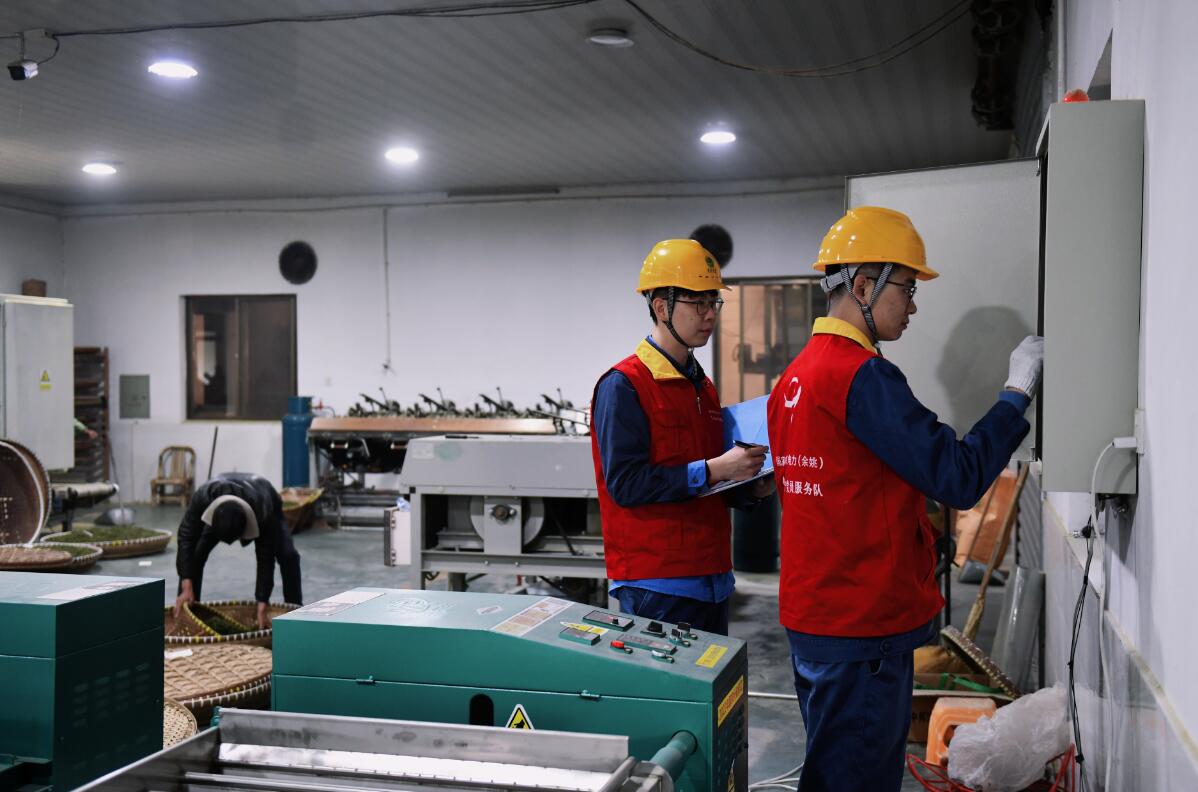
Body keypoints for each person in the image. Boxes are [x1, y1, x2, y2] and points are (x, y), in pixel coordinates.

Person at [765, 206, 1043, 791]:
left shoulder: (795, 377)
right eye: (907, 289)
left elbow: (846, 486)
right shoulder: (862, 376)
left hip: (818, 618)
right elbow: (958, 476)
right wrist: (1016, 392)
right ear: (864, 286)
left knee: (833, 772)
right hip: (862, 625)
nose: (913, 306)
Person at [590, 238, 774, 635]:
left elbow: (709, 482)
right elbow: (625, 483)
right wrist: (713, 469)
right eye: (698, 303)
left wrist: (752, 487)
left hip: (712, 577)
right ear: (661, 307)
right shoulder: (624, 385)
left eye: (714, 302)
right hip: (656, 583)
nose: (710, 315)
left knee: (716, 678)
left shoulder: (702, 387)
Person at [174, 472, 302, 628]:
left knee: (288, 555)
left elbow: (265, 557)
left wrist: (263, 600)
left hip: (268, 501)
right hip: (224, 507)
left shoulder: (263, 509)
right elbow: (186, 537)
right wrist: (186, 583)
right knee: (196, 554)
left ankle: (296, 613)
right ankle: (188, 608)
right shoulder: (203, 497)